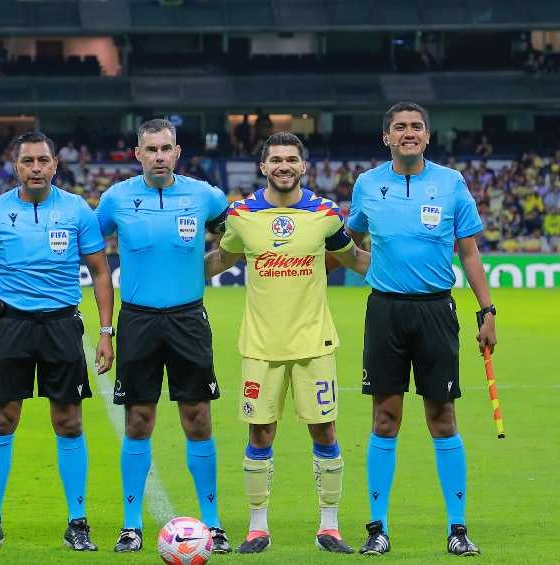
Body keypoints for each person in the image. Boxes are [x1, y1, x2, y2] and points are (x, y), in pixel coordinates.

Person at [204, 132, 370, 554]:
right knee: (260, 433)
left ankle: (329, 527)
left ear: (303, 166)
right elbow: (220, 260)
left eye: (291, 159)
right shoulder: (241, 216)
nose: (283, 165)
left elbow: (354, 259)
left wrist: (405, 261)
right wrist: (166, 270)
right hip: (260, 347)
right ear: (263, 167)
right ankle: (258, 528)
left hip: (314, 344)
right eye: (276, 159)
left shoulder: (325, 214)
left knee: (325, 430)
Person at [346, 102, 497, 556]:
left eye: (416, 127)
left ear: (427, 136)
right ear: (386, 137)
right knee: (385, 418)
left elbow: (468, 252)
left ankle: (457, 527)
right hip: (386, 312)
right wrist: (368, 266)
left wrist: (487, 311)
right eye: (399, 127)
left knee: (442, 418)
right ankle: (378, 529)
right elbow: (350, 240)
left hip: (437, 312)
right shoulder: (367, 185)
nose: (408, 133)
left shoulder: (451, 184)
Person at [0, 132, 114, 552]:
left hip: (62, 327)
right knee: (1, 419)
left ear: (55, 165)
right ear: (16, 165)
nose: (36, 168)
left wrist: (105, 332)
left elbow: (101, 272)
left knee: (69, 421)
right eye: (28, 160)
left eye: (43, 160)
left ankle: (77, 521)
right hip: (10, 327)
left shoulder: (76, 210)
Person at [95, 118, 232, 554]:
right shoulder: (116, 198)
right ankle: (131, 525)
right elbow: (90, 248)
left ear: (177, 152)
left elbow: (236, 237)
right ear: (137, 153)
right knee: (139, 420)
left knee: (198, 417)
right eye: (150, 149)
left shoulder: (204, 196)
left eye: (165, 148)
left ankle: (212, 522)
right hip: (137, 321)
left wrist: (207, 267)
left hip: (189, 319)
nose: (158, 156)